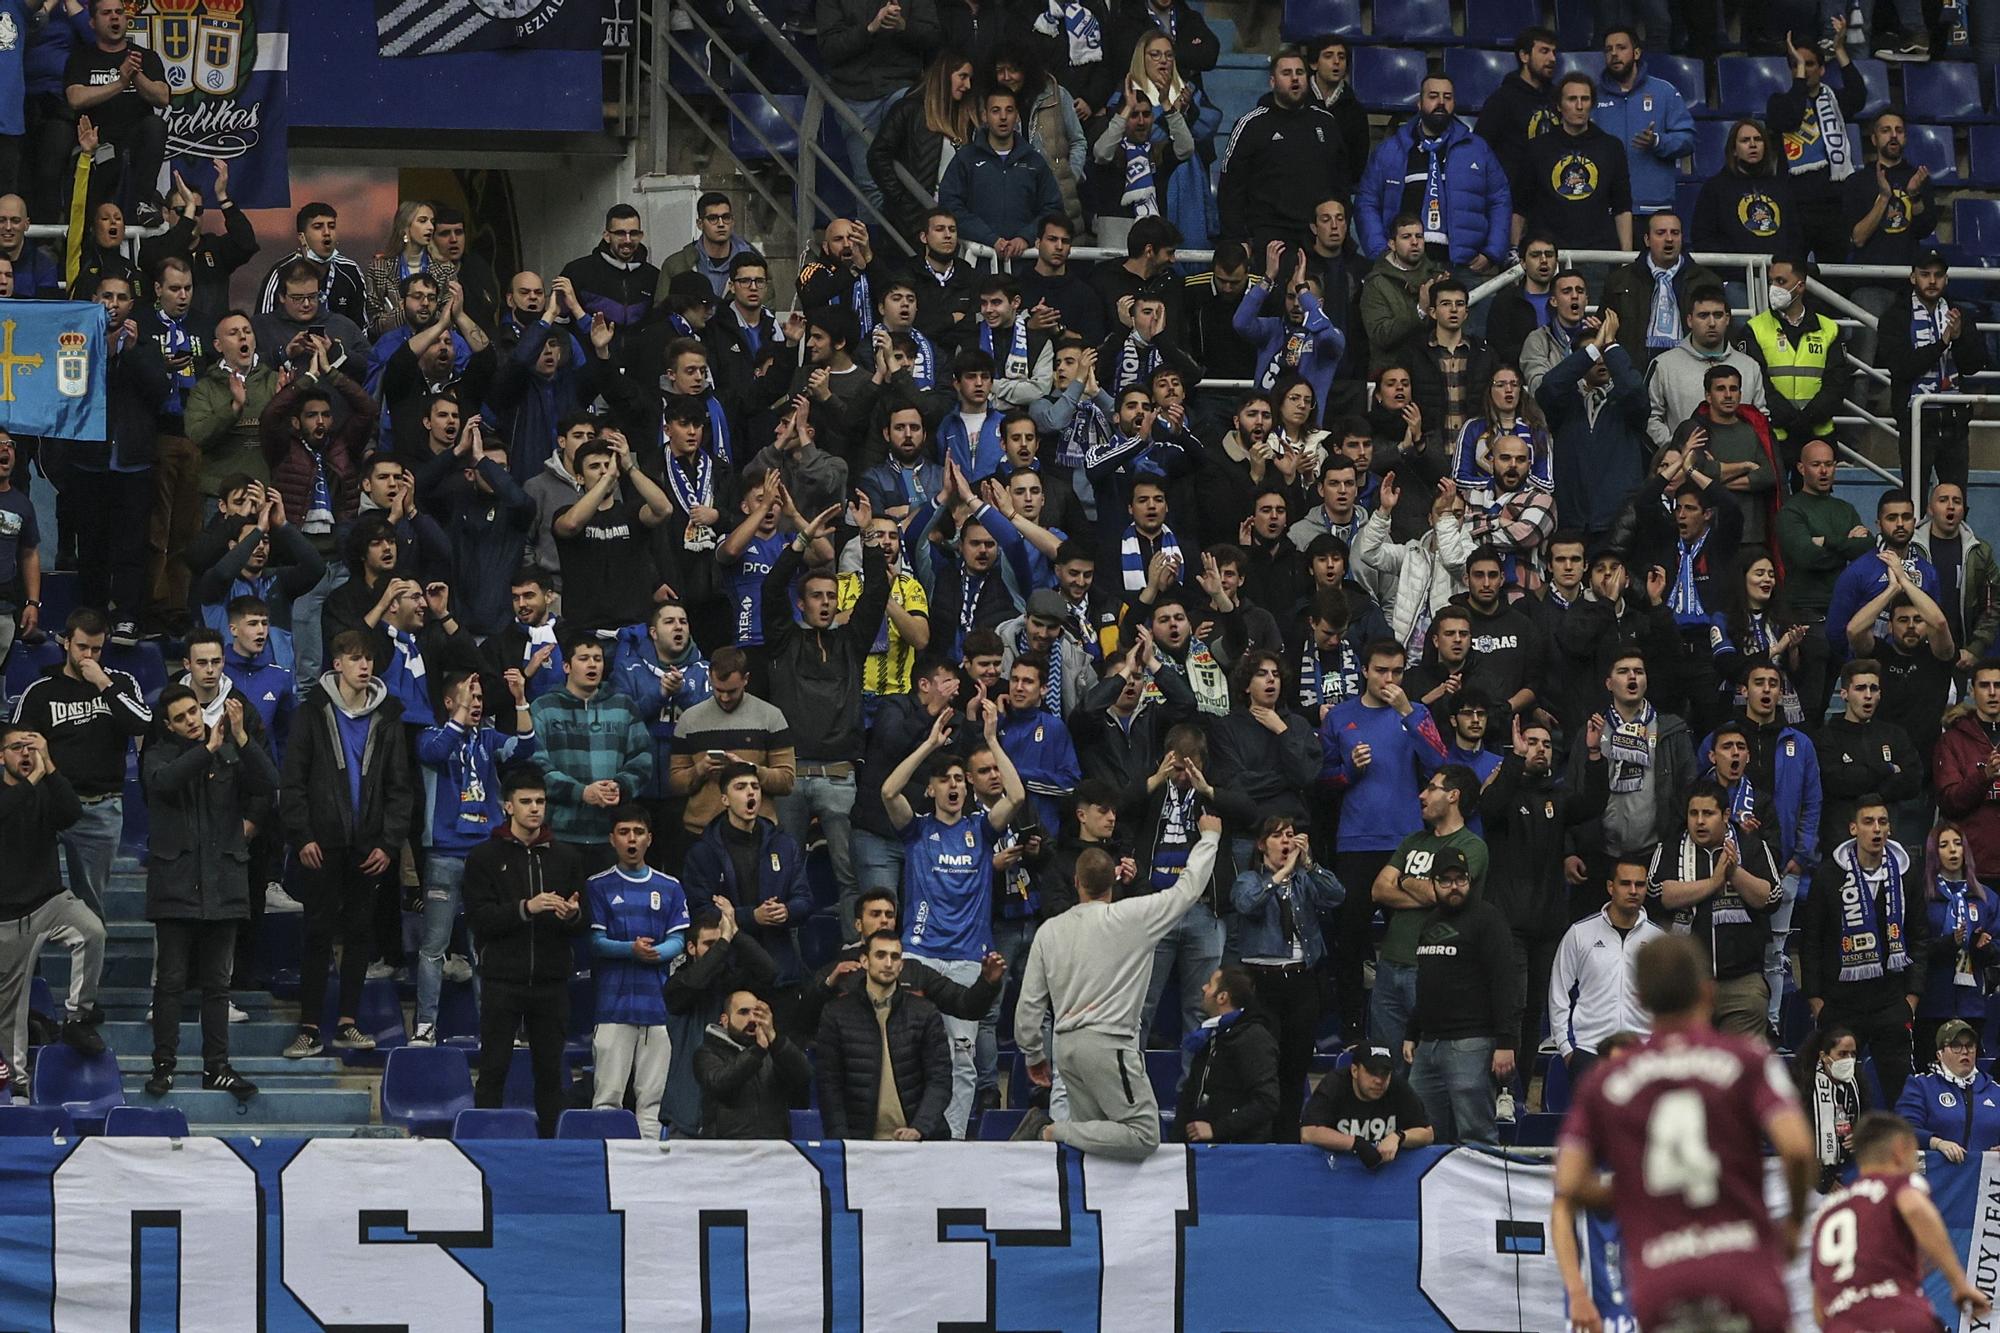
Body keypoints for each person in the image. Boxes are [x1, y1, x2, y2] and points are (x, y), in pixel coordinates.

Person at [1552, 936, 1815, 1333]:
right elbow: (1796, 1149)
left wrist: (1638, 1187)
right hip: (1744, 1270)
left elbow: (1569, 1185)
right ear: (1708, 991)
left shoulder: (1605, 1081)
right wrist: (1793, 1224)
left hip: (1664, 1279)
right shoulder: (1749, 1059)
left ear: (1640, 999)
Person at [1015, 813, 1222, 1157]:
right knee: (1143, 1135)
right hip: (1109, 1043)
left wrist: (1034, 1053)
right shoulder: (1132, 918)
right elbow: (1187, 890)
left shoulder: (1049, 930)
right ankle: (1047, 1130)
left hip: (1066, 1049)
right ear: (1114, 878)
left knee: (1094, 1143)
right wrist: (1210, 838)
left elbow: (1030, 1005)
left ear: (1075, 881)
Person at [881, 693, 1025, 1137]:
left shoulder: (979, 831)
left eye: (960, 779)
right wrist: (928, 746)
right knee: (913, 1057)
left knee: (961, 1061)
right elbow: (888, 790)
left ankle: (953, 1143)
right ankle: (913, 1133)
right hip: (919, 958)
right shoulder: (917, 831)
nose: (954, 786)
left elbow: (1016, 795)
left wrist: (990, 739)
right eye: (944, 780)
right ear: (932, 788)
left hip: (965, 960)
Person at [277, 630, 413, 1059]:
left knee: (360, 934)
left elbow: (399, 788)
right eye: (355, 658)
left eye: (368, 659)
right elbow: (293, 781)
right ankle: (309, 1028)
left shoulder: (389, 715)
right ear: (336, 663)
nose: (364, 665)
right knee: (317, 933)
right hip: (321, 843)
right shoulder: (311, 713)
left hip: (369, 845)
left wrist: (389, 844)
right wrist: (301, 836)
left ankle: (348, 1023)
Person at [139, 684, 276, 1101]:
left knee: (218, 984)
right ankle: (164, 1066)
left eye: (194, 711)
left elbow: (269, 781)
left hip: (223, 882)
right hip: (176, 883)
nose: (191, 720)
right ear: (168, 725)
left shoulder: (230, 748)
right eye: (180, 717)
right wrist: (209, 748)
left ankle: (217, 1066)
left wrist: (242, 737)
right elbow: (164, 783)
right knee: (172, 982)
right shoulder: (158, 755)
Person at [461, 767, 587, 1136]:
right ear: (507, 807)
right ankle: (485, 1144)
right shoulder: (484, 857)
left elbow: (585, 920)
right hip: (502, 979)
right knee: (493, 1069)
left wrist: (572, 914)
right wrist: (525, 908)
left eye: (540, 802)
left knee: (551, 1072)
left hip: (551, 981)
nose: (535, 809)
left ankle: (550, 1147)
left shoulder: (566, 857)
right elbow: (478, 918)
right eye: (526, 802)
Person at [1810, 1113, 1991, 1329]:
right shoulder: (1898, 1184)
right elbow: (1914, 1207)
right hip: (1898, 1315)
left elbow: (1818, 1304)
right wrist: (1959, 1283)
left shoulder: (1825, 1211)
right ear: (1900, 1150)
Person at [1803, 798, 1928, 1104]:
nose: (1877, 829)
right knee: (1837, 1088)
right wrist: (1816, 999)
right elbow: (1811, 940)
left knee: (1900, 1086)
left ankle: (1900, 1146)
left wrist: (1911, 998)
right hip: (1840, 1001)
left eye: (1883, 822)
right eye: (1869, 822)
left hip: (1890, 1001)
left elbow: (1919, 937)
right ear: (1853, 828)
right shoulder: (1829, 875)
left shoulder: (1905, 873)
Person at [0, 723, 102, 1081]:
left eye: (31, 747)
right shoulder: (13, 791)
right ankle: (18, 1086)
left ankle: (77, 1017)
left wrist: (52, 768)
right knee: (9, 1015)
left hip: (49, 902)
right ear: (1, 756)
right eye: (16, 748)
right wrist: (32, 781)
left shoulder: (46, 787)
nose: (25, 754)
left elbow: (72, 812)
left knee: (92, 931)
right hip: (7, 917)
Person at [1646, 781, 1783, 1037]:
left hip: (1741, 982)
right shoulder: (1670, 847)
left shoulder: (1751, 846)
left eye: (1707, 814)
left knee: (1739, 1070)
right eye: (1693, 814)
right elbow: (1655, 894)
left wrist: (1734, 873)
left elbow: (1772, 897)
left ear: (1726, 815)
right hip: (1687, 984)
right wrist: (1713, 883)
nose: (1699, 821)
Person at [584, 805, 688, 1142]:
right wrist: (632, 949)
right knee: (607, 1099)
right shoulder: (597, 886)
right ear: (612, 838)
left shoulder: (670, 886)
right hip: (613, 1008)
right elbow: (596, 941)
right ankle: (607, 1166)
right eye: (625, 832)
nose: (632, 839)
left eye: (638, 833)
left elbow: (679, 939)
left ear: (649, 839)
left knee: (654, 1102)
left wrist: (655, 953)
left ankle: (651, 1172)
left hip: (658, 1009)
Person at [1400, 846, 1517, 1144]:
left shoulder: (1487, 919)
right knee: (1423, 1133)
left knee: (1477, 1135)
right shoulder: (1429, 923)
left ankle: (1482, 1192)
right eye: (1446, 880)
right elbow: (1427, 982)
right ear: (1433, 883)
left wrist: (1505, 1041)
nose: (1454, 887)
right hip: (1428, 1045)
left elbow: (1505, 981)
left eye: (1460, 879)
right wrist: (1412, 1031)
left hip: (1471, 1043)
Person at [1354, 73, 1511, 277]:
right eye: (1433, 96)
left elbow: (1500, 199)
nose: (1441, 103)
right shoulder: (1391, 150)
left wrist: (1491, 252)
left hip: (1464, 267)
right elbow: (1367, 201)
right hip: (1402, 267)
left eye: (1447, 97)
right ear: (1419, 103)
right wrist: (1379, 252)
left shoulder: (1478, 149)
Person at [815, 930, 954, 1140]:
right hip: (860, 1145)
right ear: (864, 960)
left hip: (919, 1142)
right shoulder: (836, 1013)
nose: (888, 963)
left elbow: (940, 1079)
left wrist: (919, 1128)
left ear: (901, 964)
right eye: (880, 955)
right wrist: (842, 1141)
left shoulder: (925, 1012)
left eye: (895, 956)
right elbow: (829, 1086)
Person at [530, 634, 653, 871]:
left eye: (597, 659)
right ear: (566, 666)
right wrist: (581, 792)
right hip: (559, 834)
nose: (592, 664)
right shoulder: (544, 707)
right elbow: (536, 765)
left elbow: (642, 758)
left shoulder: (623, 706)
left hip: (610, 835)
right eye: (584, 658)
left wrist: (621, 786)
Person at [1878, 251, 1990, 494]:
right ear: (1912, 278)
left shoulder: (1958, 313)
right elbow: (1901, 367)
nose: (1932, 281)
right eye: (1925, 274)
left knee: (1956, 498)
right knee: (1914, 497)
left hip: (1955, 421)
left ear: (1946, 280)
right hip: (1916, 420)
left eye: (1938, 275)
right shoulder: (1894, 317)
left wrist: (1958, 339)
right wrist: (1942, 343)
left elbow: (1974, 365)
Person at [1216, 47, 1350, 250]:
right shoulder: (1251, 125)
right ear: (1272, 82)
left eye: (1300, 73)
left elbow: (1341, 183)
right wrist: (1237, 238)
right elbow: (1231, 188)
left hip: (1318, 236)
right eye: (1286, 73)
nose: (1294, 79)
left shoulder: (1326, 123)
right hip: (1270, 236)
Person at [1549, 860, 1664, 1084]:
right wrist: (1566, 1047)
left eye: (1640, 885)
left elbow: (1669, 1000)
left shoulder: (1658, 940)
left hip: (1643, 1052)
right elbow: (1559, 992)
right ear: (1611, 887)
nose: (1633, 891)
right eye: (1625, 884)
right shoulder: (1580, 933)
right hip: (1589, 1050)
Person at [1766, 23, 1865, 262]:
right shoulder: (1779, 102)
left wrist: (1840, 50)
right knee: (1792, 274)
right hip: (1795, 205)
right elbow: (1790, 119)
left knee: (1835, 278)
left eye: (1809, 64)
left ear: (1822, 69)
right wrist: (1799, 74)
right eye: (1797, 65)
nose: (1804, 70)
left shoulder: (1835, 101)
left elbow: (1859, 96)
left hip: (1833, 204)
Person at [62, 0, 167, 220]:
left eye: (119, 12)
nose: (114, 17)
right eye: (106, 13)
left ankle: (143, 204)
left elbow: (162, 97)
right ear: (92, 22)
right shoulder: (81, 57)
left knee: (155, 125)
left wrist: (136, 74)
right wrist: (120, 83)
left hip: (134, 146)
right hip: (97, 145)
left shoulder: (144, 57)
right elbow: (75, 98)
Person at [1515, 73, 1633, 255]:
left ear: (1591, 104)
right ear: (1559, 106)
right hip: (1549, 253)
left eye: (1585, 99)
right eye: (1572, 99)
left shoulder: (1611, 147)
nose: (1579, 106)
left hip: (1599, 253)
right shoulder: (1537, 148)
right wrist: (1515, 251)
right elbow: (1520, 207)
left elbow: (1622, 207)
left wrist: (1627, 258)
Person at [869, 56, 979, 244]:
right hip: (914, 222)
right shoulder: (909, 110)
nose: (967, 85)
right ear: (944, 75)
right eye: (962, 76)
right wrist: (903, 199)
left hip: (955, 223)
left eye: (970, 78)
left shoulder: (966, 119)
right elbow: (878, 155)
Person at [1593, 29, 1694, 221]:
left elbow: (1688, 140)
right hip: (1606, 209)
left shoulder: (1664, 92)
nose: (1614, 54)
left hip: (1654, 209)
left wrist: (1657, 141)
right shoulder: (1592, 97)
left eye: (1621, 48)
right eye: (1608, 49)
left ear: (1637, 53)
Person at [1602, 213, 1720, 371]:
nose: (1669, 238)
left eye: (1675, 233)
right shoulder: (1620, 280)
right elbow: (1605, 326)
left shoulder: (1707, 280)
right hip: (1635, 371)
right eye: (1661, 233)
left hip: (1694, 370)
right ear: (1647, 240)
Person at [1174, 966, 1279, 1144]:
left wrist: (1217, 1129)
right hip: (1201, 1147)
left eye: (1210, 985)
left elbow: (1266, 1102)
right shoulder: (1210, 1034)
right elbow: (1191, 1092)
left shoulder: (1253, 1038)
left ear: (1222, 997)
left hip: (1236, 1152)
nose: (1204, 988)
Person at [695, 989, 814, 1138]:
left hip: (773, 1147)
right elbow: (720, 1083)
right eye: (743, 1012)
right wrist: (757, 1052)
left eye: (756, 1013)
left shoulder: (774, 1051)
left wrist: (775, 1040)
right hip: (726, 1149)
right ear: (725, 1020)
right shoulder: (707, 1052)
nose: (752, 1019)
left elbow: (804, 1076)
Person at [1298, 1042, 1436, 1167]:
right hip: (1339, 1170)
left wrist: (1399, 1137)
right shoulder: (1335, 1084)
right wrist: (1354, 1143)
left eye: (1385, 1073)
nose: (1379, 1080)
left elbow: (1427, 1133)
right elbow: (1309, 1133)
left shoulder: (1397, 1086)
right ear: (1355, 1071)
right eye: (1372, 1072)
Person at [1691, 118, 1803, 258]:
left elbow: (1795, 237)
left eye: (1758, 139)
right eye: (1745, 140)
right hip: (1734, 275)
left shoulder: (1781, 187)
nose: (1752, 145)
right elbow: (1703, 239)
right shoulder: (1715, 188)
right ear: (1734, 150)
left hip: (1777, 274)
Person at [1473, 25, 1559, 208]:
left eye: (1553, 52)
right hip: (1512, 201)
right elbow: (1480, 149)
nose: (1552, 58)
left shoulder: (1557, 97)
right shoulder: (1502, 99)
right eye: (1544, 51)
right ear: (1524, 56)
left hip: (1551, 197)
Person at [1895, 1018, 2000, 1161]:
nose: (1965, 1051)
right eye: (1956, 1045)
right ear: (1940, 1054)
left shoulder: (1995, 1090)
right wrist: (1937, 1143)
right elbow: (1904, 1130)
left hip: (1984, 1178)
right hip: (1939, 1177)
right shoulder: (1921, 1086)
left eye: (1970, 1045)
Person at [255, 203, 370, 331]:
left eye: (331, 226)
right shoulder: (281, 272)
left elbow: (361, 330)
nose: (327, 233)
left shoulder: (350, 271)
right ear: (302, 237)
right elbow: (262, 328)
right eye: (318, 227)